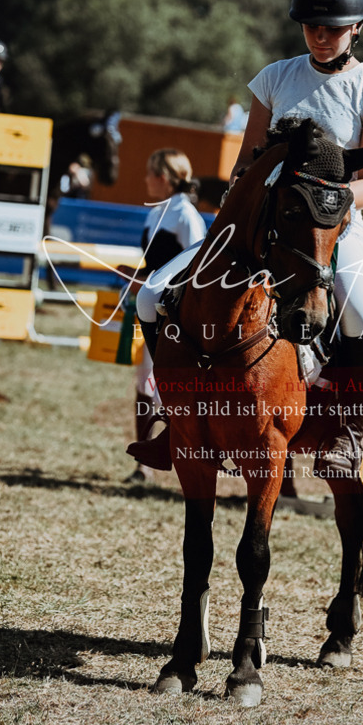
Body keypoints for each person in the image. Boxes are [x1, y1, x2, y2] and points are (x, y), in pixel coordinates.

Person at [229, 0, 363, 477]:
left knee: (362, 311)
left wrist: (318, 203)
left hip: (332, 228)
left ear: (357, 28)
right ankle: (181, 418)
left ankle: (348, 432)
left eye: (332, 28)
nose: (320, 37)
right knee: (160, 295)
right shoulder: (274, 77)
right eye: (311, 27)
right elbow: (247, 162)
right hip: (264, 222)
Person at [121, 149, 207, 479]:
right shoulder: (156, 212)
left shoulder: (186, 216)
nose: (145, 180)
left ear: (162, 178)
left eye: (149, 174)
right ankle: (144, 463)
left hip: (176, 317)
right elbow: (156, 265)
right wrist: (136, 275)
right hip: (152, 312)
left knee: (168, 389)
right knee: (144, 383)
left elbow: (196, 270)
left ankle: (191, 463)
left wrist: (145, 282)